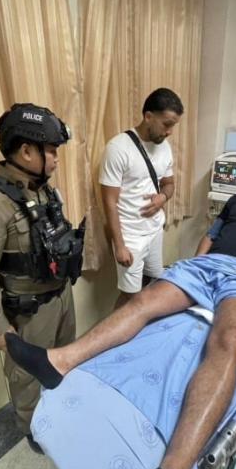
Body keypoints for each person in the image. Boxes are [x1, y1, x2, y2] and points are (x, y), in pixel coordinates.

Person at [4, 146, 236, 469]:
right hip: (206, 268)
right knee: (143, 300)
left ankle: (176, 464)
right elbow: (210, 236)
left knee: (229, 340)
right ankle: (59, 361)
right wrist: (197, 265)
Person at [0, 103, 85, 454]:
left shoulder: (43, 189)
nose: (56, 158)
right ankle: (36, 431)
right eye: (52, 150)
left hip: (60, 297)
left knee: (65, 360)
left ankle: (62, 413)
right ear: (27, 151)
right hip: (29, 313)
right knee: (27, 378)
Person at [99, 88, 183, 308]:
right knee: (131, 297)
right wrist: (119, 246)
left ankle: (142, 324)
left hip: (154, 230)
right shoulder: (118, 148)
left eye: (173, 126)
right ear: (148, 116)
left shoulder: (164, 147)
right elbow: (109, 202)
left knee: (152, 283)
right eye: (166, 124)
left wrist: (162, 198)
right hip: (130, 236)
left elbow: (169, 184)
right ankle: (119, 329)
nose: (169, 132)